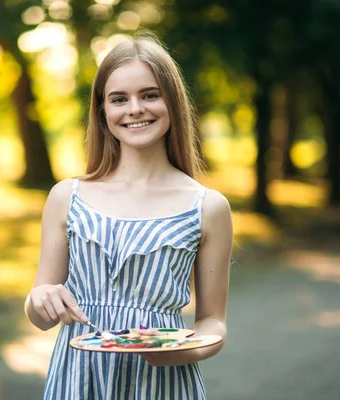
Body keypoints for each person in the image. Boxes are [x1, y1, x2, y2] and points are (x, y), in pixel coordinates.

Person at [24, 32, 233, 400]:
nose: (135, 109)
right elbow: (41, 315)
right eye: (119, 99)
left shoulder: (208, 207)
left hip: (164, 385)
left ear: (173, 102)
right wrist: (40, 298)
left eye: (150, 95)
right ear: (103, 111)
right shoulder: (66, 197)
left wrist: (180, 352)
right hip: (78, 380)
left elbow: (212, 320)